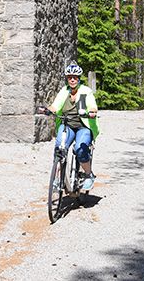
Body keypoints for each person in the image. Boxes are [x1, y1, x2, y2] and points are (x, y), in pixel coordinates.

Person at [45, 62, 99, 191]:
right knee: (59, 148)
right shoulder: (64, 91)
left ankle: (88, 175)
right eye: (70, 77)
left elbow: (92, 106)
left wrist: (91, 112)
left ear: (79, 78)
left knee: (81, 149)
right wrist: (48, 110)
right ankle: (57, 179)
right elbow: (55, 106)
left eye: (75, 77)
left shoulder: (85, 91)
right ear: (67, 79)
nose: (72, 79)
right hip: (67, 125)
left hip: (83, 126)